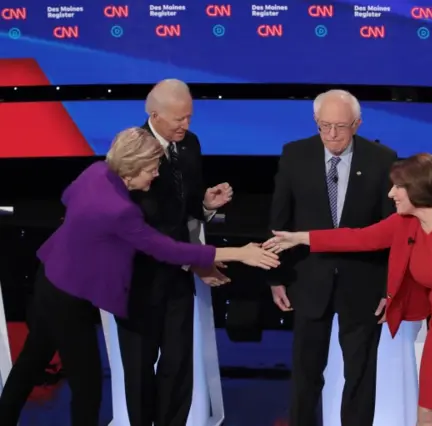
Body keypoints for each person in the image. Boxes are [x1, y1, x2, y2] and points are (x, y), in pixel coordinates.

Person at [0, 128, 279, 426]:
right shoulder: (120, 211)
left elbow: (68, 198)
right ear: (131, 170)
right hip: (69, 298)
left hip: (50, 277)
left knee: (32, 361)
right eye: (151, 168)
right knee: (87, 385)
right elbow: (167, 249)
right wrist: (239, 253)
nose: (156, 174)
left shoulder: (96, 172)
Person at [265, 153, 432, 426]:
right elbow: (360, 238)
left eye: (397, 187)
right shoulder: (406, 222)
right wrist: (301, 238)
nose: (391, 194)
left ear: (418, 187)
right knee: (428, 414)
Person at [269, 89, 397, 426]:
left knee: (360, 373)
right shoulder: (294, 155)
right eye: (324, 126)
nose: (332, 135)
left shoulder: (382, 159)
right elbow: (279, 221)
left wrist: (389, 288)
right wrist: (276, 277)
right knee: (305, 372)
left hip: (364, 284)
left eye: (340, 126)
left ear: (357, 123)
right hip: (308, 280)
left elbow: (391, 231)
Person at [114, 79, 233, 426]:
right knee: (139, 364)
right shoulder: (131, 148)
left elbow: (185, 204)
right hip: (138, 277)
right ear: (154, 115)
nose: (186, 126)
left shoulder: (190, 144)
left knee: (178, 361)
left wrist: (206, 204)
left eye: (189, 117)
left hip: (177, 275)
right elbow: (142, 224)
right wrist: (197, 261)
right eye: (178, 119)